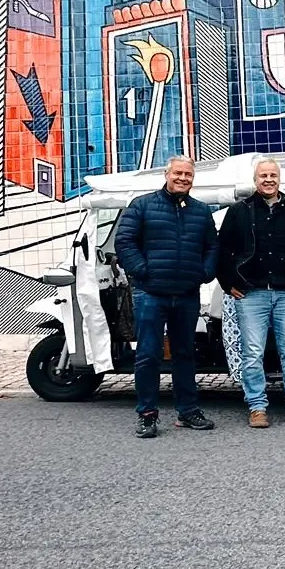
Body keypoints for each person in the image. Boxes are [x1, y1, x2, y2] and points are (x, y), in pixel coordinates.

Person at [114, 154, 219, 438]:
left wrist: (205, 272)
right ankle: (147, 414)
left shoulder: (200, 211)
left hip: (186, 294)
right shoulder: (142, 206)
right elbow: (124, 241)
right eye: (178, 173)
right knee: (148, 355)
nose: (183, 178)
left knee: (185, 354)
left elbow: (212, 246)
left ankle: (187, 411)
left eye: (188, 174)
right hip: (150, 293)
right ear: (167, 174)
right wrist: (141, 270)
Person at [215, 156, 285, 428]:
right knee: (252, 352)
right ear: (255, 180)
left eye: (273, 175)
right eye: (263, 176)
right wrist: (228, 283)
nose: (268, 180)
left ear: (279, 178)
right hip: (251, 293)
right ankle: (257, 407)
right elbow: (222, 250)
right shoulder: (240, 211)